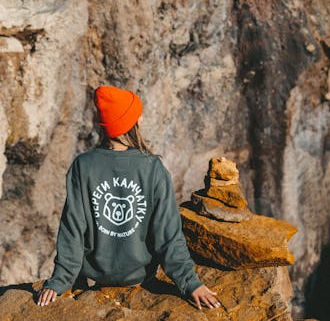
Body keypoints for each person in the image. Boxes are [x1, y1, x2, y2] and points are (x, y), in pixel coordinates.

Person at [37, 85, 221, 310]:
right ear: (129, 123)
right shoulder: (153, 168)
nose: (141, 119)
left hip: (96, 279)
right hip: (141, 278)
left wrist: (59, 281)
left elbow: (73, 228)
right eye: (137, 115)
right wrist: (190, 283)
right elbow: (168, 235)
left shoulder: (82, 166)